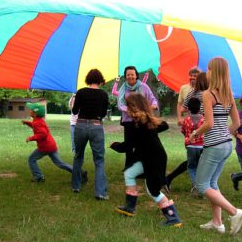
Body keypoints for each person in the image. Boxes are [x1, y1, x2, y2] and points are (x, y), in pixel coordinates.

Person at [190, 57, 242, 235]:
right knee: (212, 182)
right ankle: (217, 222)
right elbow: (236, 123)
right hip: (227, 144)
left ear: (216, 73)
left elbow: (209, 123)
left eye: (210, 69)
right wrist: (225, 133)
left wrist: (195, 133)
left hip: (214, 146)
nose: (207, 72)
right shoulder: (229, 95)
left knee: (201, 184)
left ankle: (235, 213)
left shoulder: (208, 94)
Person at [114, 93, 182, 227]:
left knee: (153, 190)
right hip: (150, 157)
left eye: (128, 106)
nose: (127, 109)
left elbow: (128, 146)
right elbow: (165, 125)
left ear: (134, 107)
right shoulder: (148, 121)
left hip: (154, 160)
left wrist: (114, 145)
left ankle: (173, 218)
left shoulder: (138, 125)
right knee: (129, 173)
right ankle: (130, 207)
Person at [71, 69, 109, 200]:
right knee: (99, 160)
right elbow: (103, 114)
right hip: (96, 126)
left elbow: (75, 111)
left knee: (78, 156)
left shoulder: (81, 92)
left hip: (80, 125)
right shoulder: (104, 94)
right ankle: (100, 192)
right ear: (100, 80)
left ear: (88, 79)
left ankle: (76, 186)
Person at [166, 71, 207, 191]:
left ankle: (170, 179)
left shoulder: (193, 93)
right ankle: (200, 185)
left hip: (196, 130)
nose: (193, 79)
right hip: (204, 128)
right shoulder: (206, 93)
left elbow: (183, 108)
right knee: (197, 161)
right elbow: (182, 107)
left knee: (195, 161)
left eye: (195, 77)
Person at [118, 66, 158, 170]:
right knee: (129, 145)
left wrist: (153, 105)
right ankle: (128, 166)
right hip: (128, 121)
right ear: (125, 76)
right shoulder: (123, 89)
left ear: (136, 75)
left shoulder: (144, 87)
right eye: (128, 75)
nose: (130, 76)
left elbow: (153, 99)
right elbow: (120, 105)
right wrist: (131, 111)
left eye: (132, 74)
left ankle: (141, 166)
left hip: (142, 121)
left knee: (142, 144)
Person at [22, 102, 72, 182]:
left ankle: (39, 177)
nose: (29, 111)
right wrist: (28, 123)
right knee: (60, 163)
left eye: (31, 110)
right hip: (51, 145)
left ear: (35, 114)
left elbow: (43, 134)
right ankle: (79, 172)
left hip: (45, 147)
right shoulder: (38, 120)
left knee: (31, 159)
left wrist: (31, 138)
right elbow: (36, 127)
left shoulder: (37, 122)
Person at [181, 97, 204, 193]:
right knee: (200, 167)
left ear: (189, 109)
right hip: (202, 146)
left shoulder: (186, 119)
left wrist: (189, 137)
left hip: (190, 146)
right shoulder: (204, 119)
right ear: (199, 108)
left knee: (191, 167)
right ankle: (200, 185)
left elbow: (183, 131)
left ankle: (195, 184)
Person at [69, 94, 88, 184]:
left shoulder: (83, 98)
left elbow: (76, 110)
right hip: (73, 124)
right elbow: (71, 107)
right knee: (75, 148)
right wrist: (73, 97)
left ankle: (80, 175)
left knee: (78, 150)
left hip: (80, 124)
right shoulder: (73, 98)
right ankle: (80, 173)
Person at [231, 96, 242, 191]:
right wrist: (239, 136)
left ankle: (235, 177)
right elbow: (233, 130)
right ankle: (235, 177)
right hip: (241, 149)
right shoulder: (238, 116)